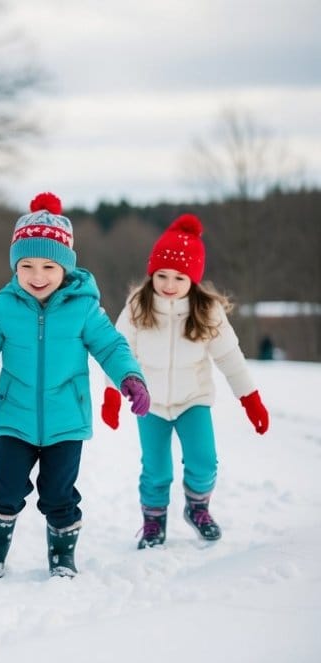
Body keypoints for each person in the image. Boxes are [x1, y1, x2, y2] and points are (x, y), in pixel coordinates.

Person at [0, 192, 149, 579]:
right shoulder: (4, 306)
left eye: (48, 266)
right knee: (6, 488)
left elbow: (110, 345)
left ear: (66, 268)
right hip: (15, 416)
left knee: (58, 494)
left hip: (66, 420)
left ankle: (61, 554)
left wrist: (129, 377)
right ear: (15, 267)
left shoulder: (84, 307)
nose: (36, 276)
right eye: (26, 265)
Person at [101, 214, 270, 549]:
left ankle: (198, 508)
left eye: (179, 277)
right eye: (161, 275)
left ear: (193, 278)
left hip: (193, 400)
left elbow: (230, 358)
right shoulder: (138, 307)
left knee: (204, 460)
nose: (168, 284)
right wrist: (112, 393)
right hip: (149, 404)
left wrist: (250, 399)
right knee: (155, 469)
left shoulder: (207, 311)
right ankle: (153, 521)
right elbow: (117, 352)